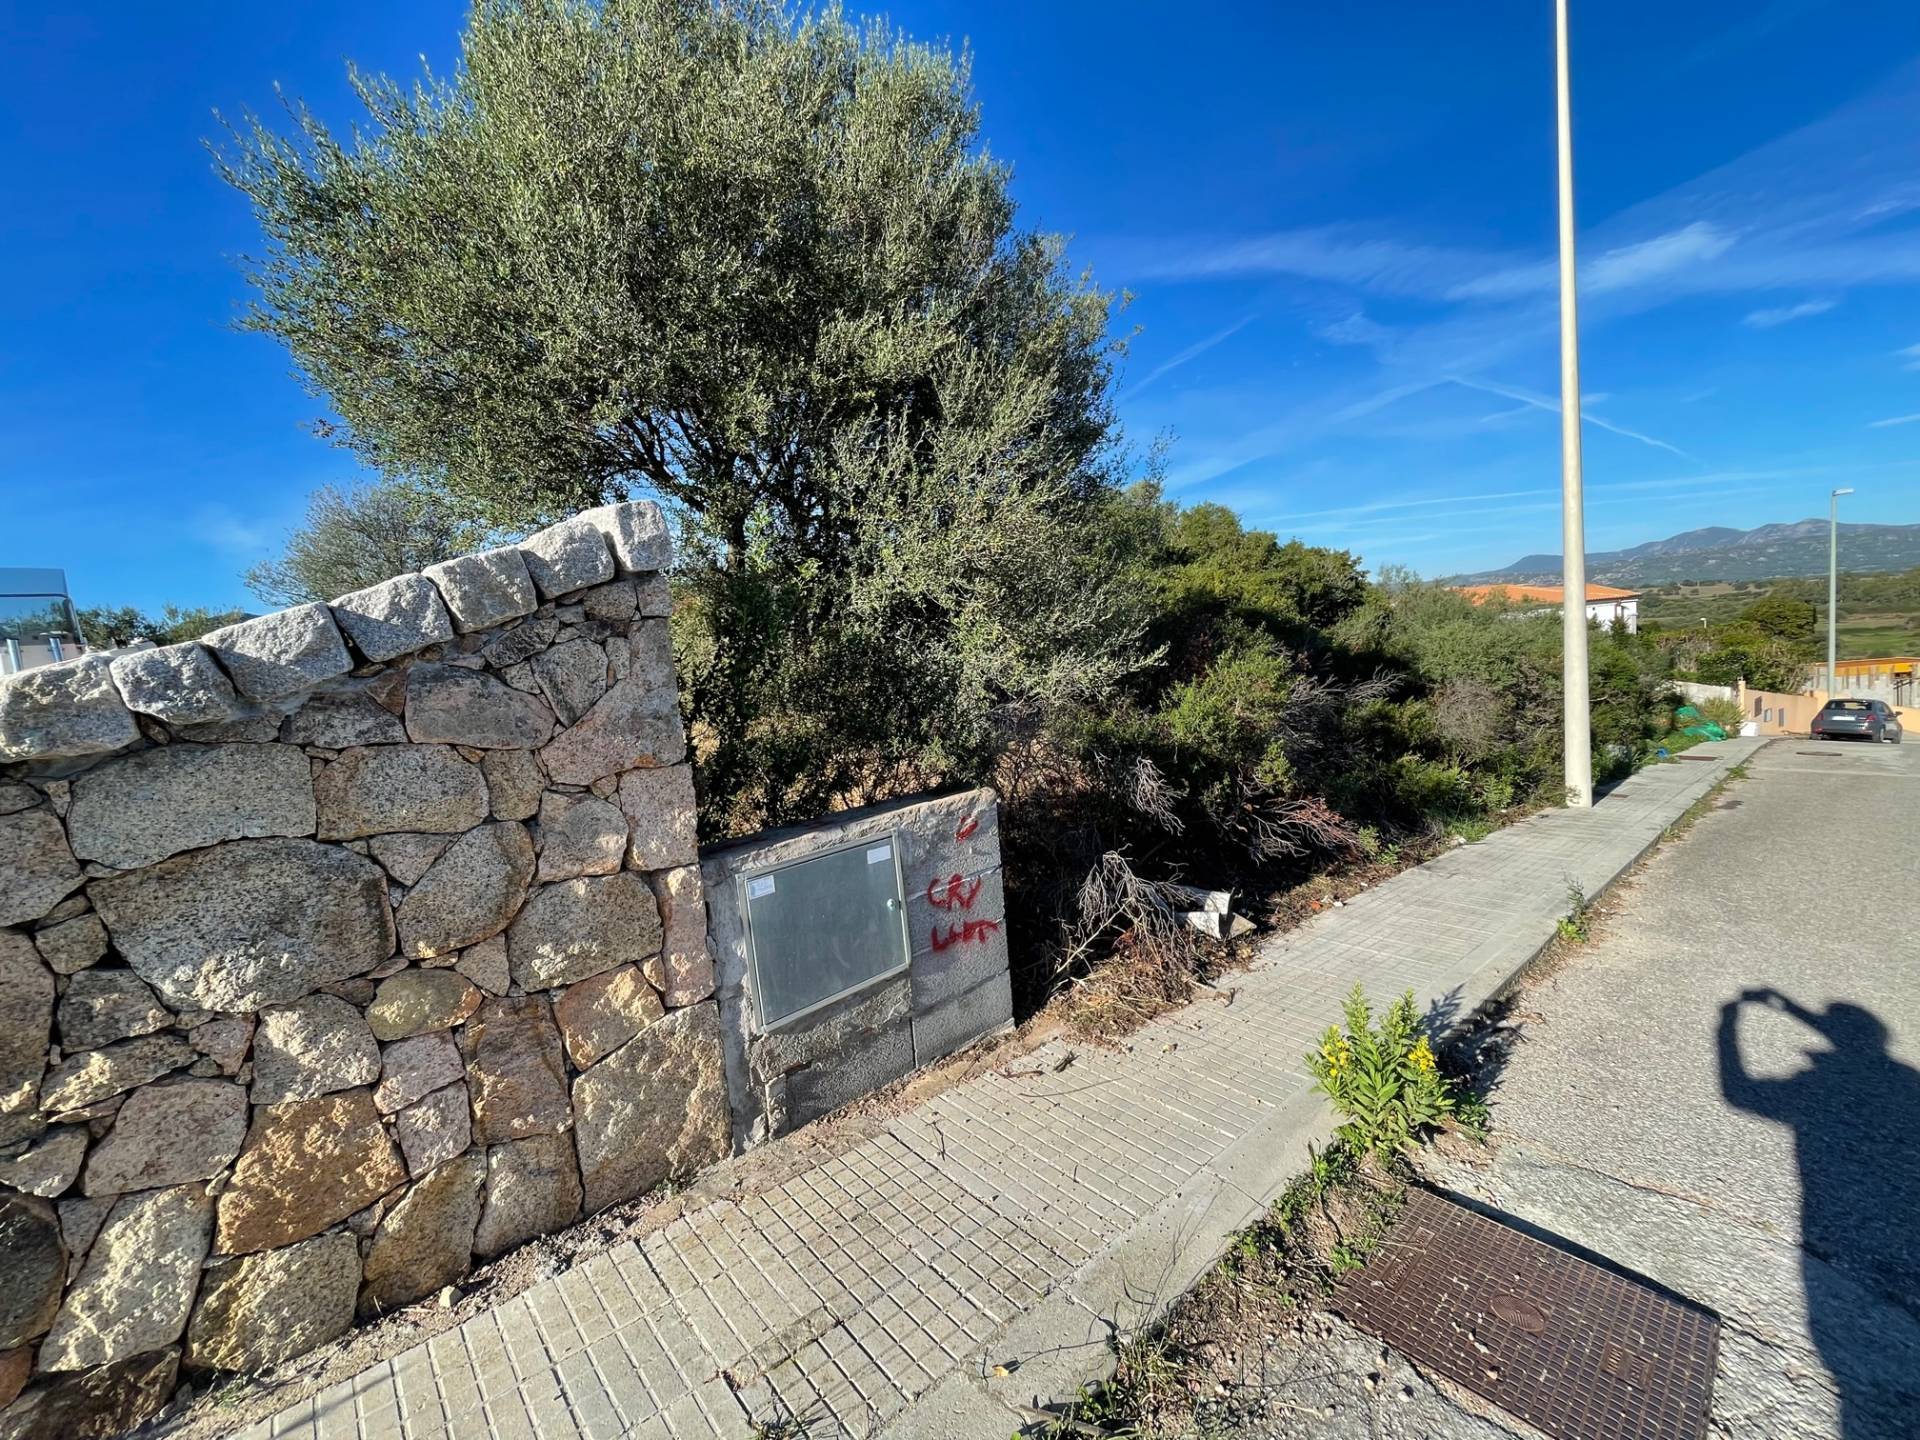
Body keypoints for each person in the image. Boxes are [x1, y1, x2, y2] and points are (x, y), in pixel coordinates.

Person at [1718, 988, 1920, 1437]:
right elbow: (1856, 1046)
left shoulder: (1822, 1082)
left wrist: (1727, 1022)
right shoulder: (1905, 1081)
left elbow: (1739, 1092)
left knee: (1844, 1376)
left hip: (1827, 1235)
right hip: (1869, 1251)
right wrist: (1792, 1011)